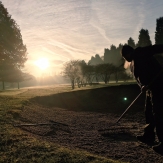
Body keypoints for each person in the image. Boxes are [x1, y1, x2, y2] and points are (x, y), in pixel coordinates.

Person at [121, 44, 163, 154]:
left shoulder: (140, 52)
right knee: (148, 112)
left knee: (158, 113)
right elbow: (139, 78)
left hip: (159, 86)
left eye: (125, 57)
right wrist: (142, 86)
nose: (126, 60)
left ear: (128, 53)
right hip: (150, 89)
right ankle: (148, 136)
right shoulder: (133, 63)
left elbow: (157, 48)